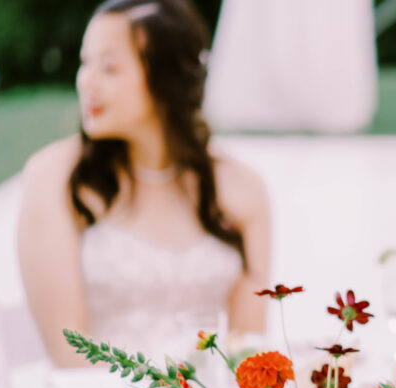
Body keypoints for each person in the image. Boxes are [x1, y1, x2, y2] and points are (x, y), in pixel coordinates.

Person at [18, 0, 270, 366]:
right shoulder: (54, 177)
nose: (86, 81)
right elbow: (68, 352)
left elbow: (247, 352)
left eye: (109, 67)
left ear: (166, 76)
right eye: (85, 63)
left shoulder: (241, 188)